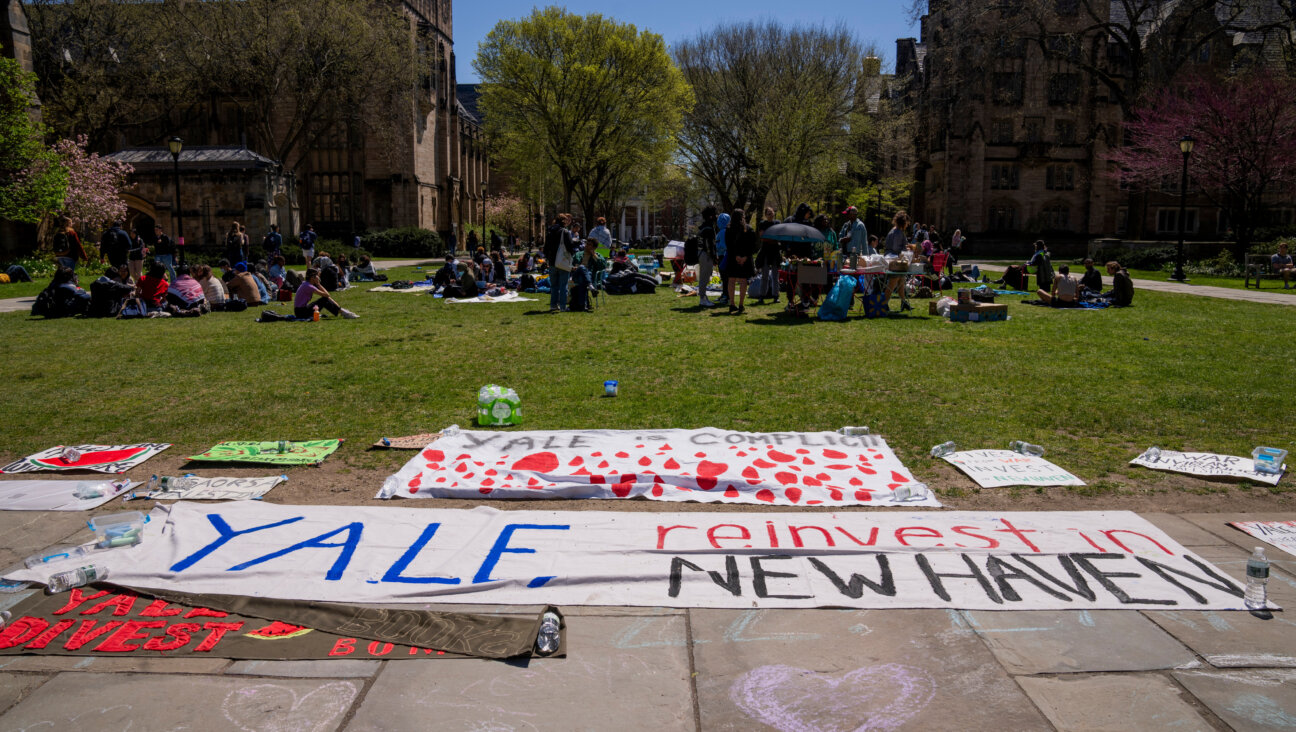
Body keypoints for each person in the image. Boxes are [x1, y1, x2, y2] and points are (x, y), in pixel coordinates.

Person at [722, 210, 756, 314]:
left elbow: (728, 245)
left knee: (731, 280)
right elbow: (752, 245)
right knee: (743, 281)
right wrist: (745, 257)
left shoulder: (728, 229)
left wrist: (736, 256)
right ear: (743, 217)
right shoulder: (749, 229)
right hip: (745, 258)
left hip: (733, 258)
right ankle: (741, 304)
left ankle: (732, 304)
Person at [544, 213, 577, 312]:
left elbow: (545, 248)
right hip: (562, 262)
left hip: (552, 262)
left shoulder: (549, 232)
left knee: (554, 286)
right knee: (563, 285)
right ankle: (563, 306)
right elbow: (570, 246)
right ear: (564, 221)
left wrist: (548, 258)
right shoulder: (564, 232)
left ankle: (553, 305)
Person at [755, 207, 781, 305]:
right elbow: (762, 237)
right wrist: (772, 238)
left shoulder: (777, 223)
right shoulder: (762, 224)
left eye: (772, 212)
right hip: (765, 252)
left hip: (775, 252)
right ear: (766, 215)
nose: (770, 214)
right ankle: (762, 296)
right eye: (768, 213)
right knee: (764, 275)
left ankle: (776, 296)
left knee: (775, 275)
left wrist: (771, 237)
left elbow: (779, 236)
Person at [696, 206, 719, 308]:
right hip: (706, 255)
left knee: (703, 277)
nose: (716, 216)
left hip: (701, 254)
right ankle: (703, 299)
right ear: (711, 216)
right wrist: (714, 257)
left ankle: (703, 297)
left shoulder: (703, 227)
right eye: (715, 214)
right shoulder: (709, 228)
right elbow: (709, 245)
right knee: (704, 278)